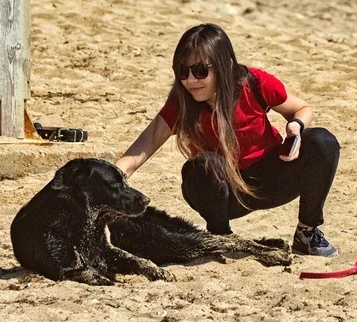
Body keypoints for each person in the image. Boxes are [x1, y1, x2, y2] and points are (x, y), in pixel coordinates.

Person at [114, 23, 341, 257]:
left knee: (321, 141)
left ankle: (307, 232)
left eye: (201, 70)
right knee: (199, 167)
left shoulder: (253, 81)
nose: (191, 80)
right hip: (225, 195)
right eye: (183, 71)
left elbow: (302, 108)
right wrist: (103, 183)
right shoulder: (181, 104)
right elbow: (138, 152)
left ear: (226, 66)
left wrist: (297, 125)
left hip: (274, 179)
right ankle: (219, 236)